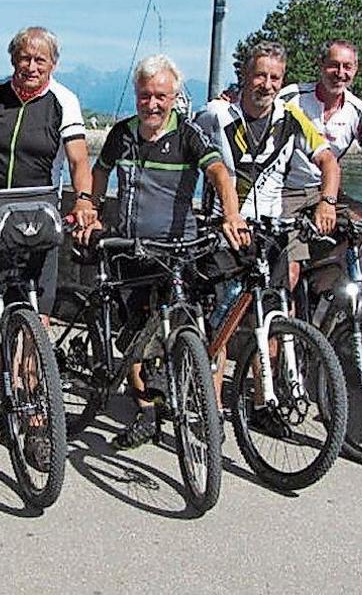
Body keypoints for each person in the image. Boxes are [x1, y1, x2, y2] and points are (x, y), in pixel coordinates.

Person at [72, 54, 237, 449]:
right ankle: (145, 412)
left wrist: (233, 216)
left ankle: (201, 409)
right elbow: (100, 170)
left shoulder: (190, 134)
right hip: (129, 247)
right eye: (145, 96)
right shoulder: (122, 133)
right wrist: (88, 206)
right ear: (136, 95)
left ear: (174, 96)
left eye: (161, 96)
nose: (153, 104)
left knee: (191, 325)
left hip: (177, 249)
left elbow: (218, 172)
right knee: (134, 332)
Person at [0, 26, 92, 448]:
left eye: (39, 60)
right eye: (24, 58)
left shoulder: (62, 101)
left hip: (39, 218)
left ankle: (33, 415)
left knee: (36, 317)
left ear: (53, 64)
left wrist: (83, 200)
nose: (30, 66)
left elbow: (80, 160)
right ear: (13, 60)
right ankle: (11, 404)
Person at [196, 41, 340, 436]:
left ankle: (263, 403)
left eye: (275, 77)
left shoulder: (291, 117)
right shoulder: (217, 114)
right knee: (221, 320)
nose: (267, 84)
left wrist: (327, 202)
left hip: (271, 232)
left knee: (272, 318)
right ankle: (211, 410)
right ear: (244, 75)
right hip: (224, 230)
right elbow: (185, 151)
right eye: (260, 75)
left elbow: (327, 159)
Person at [276, 39, 362, 289]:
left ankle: (319, 280)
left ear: (356, 69)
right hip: (285, 191)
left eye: (347, 67)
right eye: (334, 66)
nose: (341, 74)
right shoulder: (292, 97)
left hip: (324, 190)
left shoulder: (358, 111)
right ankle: (289, 313)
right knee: (289, 276)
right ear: (320, 66)